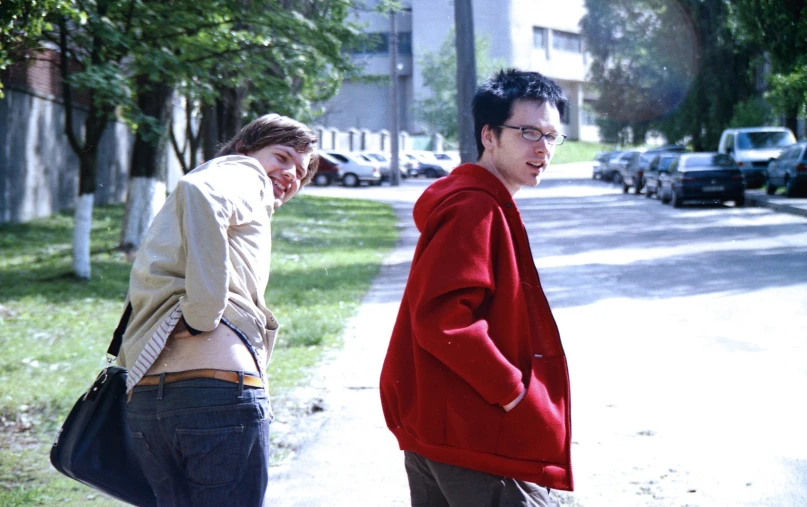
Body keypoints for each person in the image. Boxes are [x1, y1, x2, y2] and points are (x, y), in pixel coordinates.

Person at [379, 69, 573, 506]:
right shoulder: (473, 206)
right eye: (527, 132)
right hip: (481, 440)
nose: (542, 147)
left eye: (552, 136)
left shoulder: (475, 200)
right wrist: (513, 395)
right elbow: (442, 319)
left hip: (450, 433)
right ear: (489, 135)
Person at [118, 113, 319, 506]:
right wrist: (204, 311)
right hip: (216, 394)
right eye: (282, 157)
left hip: (147, 402)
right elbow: (202, 190)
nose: (291, 173)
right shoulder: (243, 172)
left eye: (301, 170)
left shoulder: (219, 200)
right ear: (246, 149)